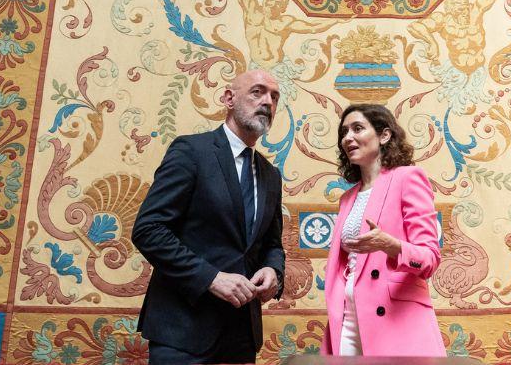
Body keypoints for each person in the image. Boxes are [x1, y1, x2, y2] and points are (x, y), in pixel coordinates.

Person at [131, 69, 286, 364]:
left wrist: (273, 271)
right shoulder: (191, 151)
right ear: (229, 98)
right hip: (182, 333)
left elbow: (272, 244)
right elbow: (149, 229)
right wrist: (211, 278)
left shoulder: (271, 175)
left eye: (274, 97)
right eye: (257, 92)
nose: (267, 101)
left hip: (240, 337)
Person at [321, 103, 445, 357]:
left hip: (395, 317)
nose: (348, 138)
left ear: (384, 135)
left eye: (357, 128)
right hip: (347, 316)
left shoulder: (408, 177)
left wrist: (391, 246)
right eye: (344, 132)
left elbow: (430, 258)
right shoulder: (347, 198)